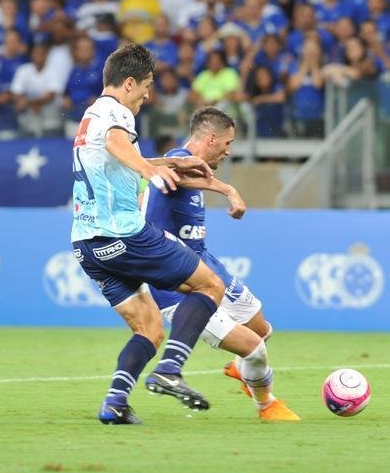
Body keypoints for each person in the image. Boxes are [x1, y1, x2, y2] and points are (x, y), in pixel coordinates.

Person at [70, 43, 225, 425]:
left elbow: (113, 157)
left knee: (150, 327)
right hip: (123, 235)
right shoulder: (116, 113)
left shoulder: (93, 114)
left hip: (87, 244)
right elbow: (116, 145)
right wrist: (148, 171)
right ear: (128, 83)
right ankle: (171, 369)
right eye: (146, 86)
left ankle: (115, 403)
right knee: (210, 287)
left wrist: (166, 162)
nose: (147, 95)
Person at [143, 107, 300, 421]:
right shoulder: (177, 159)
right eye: (227, 144)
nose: (229, 151)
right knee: (255, 348)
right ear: (211, 138)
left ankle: (242, 371)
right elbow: (175, 175)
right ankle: (266, 404)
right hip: (176, 283)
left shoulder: (198, 171)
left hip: (206, 265)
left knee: (262, 328)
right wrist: (228, 190)